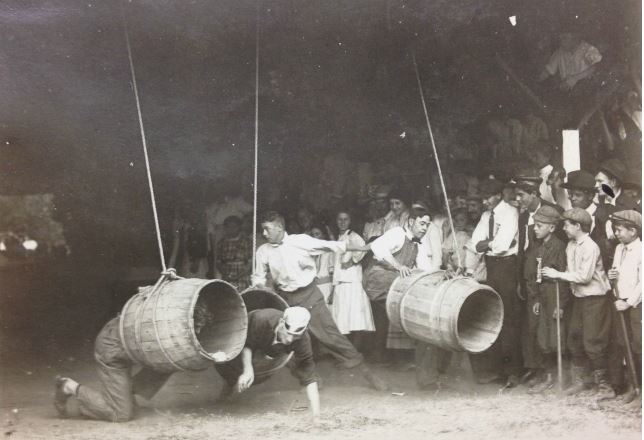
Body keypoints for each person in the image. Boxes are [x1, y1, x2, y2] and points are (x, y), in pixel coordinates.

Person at [251, 211, 388, 391]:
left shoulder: (300, 241)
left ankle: (368, 374)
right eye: (263, 229)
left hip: (309, 296)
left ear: (279, 227)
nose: (264, 233)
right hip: (285, 300)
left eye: (267, 229)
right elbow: (258, 277)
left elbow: (332, 245)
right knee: (281, 343)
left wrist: (364, 248)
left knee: (332, 337)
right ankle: (310, 379)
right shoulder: (262, 251)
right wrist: (259, 285)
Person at [53, 290, 217, 422]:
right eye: (197, 326)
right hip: (111, 349)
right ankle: (69, 386)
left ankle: (124, 396)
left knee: (167, 364)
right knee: (121, 414)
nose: (198, 330)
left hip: (122, 342)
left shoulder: (171, 317)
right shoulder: (165, 324)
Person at [541, 208, 614, 400]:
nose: (564, 228)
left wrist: (558, 275)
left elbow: (584, 277)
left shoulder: (590, 247)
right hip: (579, 299)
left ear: (578, 226)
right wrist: (559, 274)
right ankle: (583, 381)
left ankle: (605, 386)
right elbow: (569, 272)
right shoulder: (571, 245)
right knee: (574, 338)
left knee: (593, 342)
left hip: (595, 300)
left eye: (567, 225)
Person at [214, 307, 322, 420]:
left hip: (272, 350)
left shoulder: (303, 341)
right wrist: (247, 370)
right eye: (288, 333)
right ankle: (228, 389)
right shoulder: (262, 319)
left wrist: (316, 416)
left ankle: (233, 395)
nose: (290, 339)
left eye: (296, 336)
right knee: (234, 367)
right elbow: (247, 344)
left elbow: (310, 377)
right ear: (281, 322)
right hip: (243, 335)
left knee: (257, 373)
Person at [471, 178, 521, 386]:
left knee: (508, 318)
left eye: (487, 197)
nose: (484, 202)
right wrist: (491, 243)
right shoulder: (486, 216)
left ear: (498, 196)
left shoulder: (511, 213)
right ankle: (496, 369)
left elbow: (502, 247)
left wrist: (488, 244)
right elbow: (475, 244)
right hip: (491, 267)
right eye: (482, 198)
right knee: (492, 316)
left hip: (507, 267)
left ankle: (513, 372)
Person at [513, 177, 563, 383]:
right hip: (533, 283)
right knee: (534, 328)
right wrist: (523, 282)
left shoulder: (554, 214)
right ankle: (536, 369)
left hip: (550, 289)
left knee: (549, 333)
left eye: (521, 195)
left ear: (534, 193)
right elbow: (524, 252)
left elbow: (559, 262)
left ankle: (550, 374)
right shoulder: (524, 219)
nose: (517, 200)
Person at [522, 206, 570, 393]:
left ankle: (560, 377)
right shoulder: (538, 247)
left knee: (555, 337)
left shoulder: (559, 247)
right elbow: (533, 275)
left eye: (539, 226)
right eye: (535, 225)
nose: (535, 229)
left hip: (554, 294)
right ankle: (548, 376)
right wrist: (535, 299)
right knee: (542, 336)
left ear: (552, 228)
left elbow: (563, 278)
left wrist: (561, 304)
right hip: (541, 296)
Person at [607, 210, 642, 405]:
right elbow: (617, 273)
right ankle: (631, 386)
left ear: (633, 231)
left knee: (638, 345)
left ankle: (641, 388)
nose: (616, 233)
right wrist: (612, 277)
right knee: (623, 343)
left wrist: (628, 302)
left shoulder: (641, 251)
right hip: (620, 302)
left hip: (636, 305)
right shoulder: (619, 249)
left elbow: (642, 283)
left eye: (619, 230)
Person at [331, 210, 375, 346]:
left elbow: (365, 249)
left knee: (356, 319)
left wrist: (354, 260)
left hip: (352, 282)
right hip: (341, 282)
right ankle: (348, 350)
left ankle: (356, 350)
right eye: (340, 219)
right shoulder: (338, 237)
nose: (342, 222)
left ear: (350, 221)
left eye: (346, 219)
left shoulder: (353, 236)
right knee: (343, 319)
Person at [216, 215, 253, 290]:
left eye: (234, 227)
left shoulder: (247, 242)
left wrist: (238, 276)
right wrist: (225, 274)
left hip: (243, 276)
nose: (231, 229)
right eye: (228, 227)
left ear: (239, 227)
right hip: (227, 275)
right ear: (225, 228)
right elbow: (218, 262)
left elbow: (250, 263)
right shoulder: (221, 243)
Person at [309, 224, 335, 304]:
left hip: (326, 287)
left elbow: (334, 274)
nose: (314, 237)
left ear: (323, 236)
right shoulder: (312, 253)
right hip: (314, 288)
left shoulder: (329, 252)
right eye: (312, 235)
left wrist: (333, 293)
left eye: (317, 234)